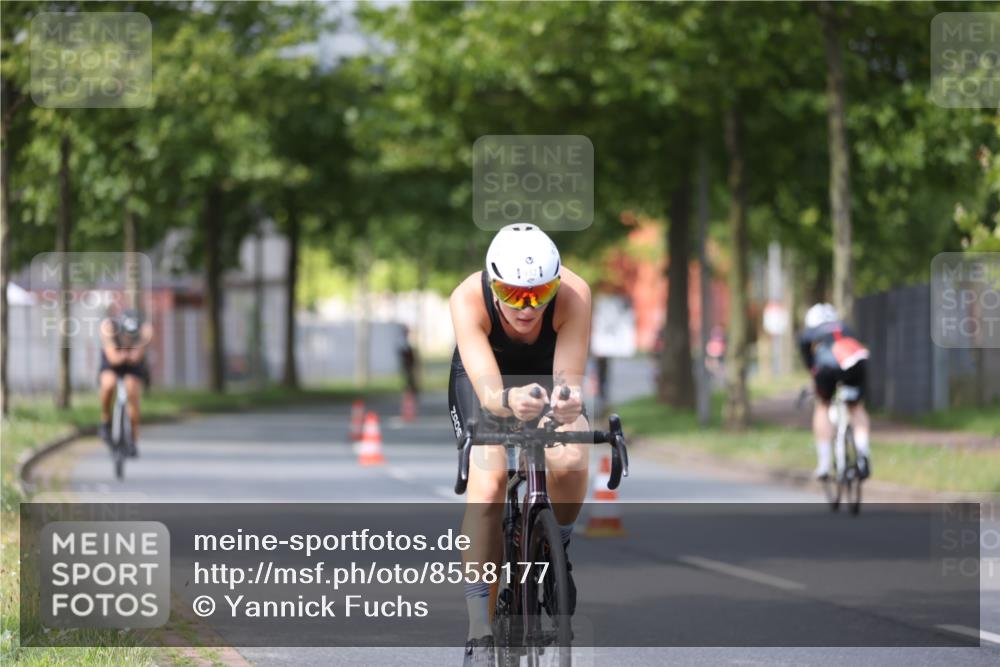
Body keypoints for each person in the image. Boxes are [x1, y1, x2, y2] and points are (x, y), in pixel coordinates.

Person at [448, 224, 591, 666]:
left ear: (555, 284)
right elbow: (491, 394)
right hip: (486, 382)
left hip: (546, 375)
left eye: (539, 294)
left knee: (572, 449)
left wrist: (567, 404)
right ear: (493, 285)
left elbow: (567, 381)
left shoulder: (575, 294)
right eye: (512, 295)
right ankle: (478, 628)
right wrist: (508, 400)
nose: (526, 309)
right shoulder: (467, 298)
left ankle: (556, 546)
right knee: (489, 480)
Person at [798, 303, 871, 480]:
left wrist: (814, 377)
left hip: (827, 366)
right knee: (856, 407)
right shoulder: (846, 327)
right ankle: (863, 453)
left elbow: (809, 362)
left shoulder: (809, 332)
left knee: (823, 406)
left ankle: (824, 465)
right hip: (855, 362)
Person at [98, 307, 153, 457]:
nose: (128, 339)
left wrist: (135, 352)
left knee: (132, 389)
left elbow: (138, 355)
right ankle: (105, 421)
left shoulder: (144, 331)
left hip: (132, 365)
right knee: (108, 384)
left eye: (131, 336)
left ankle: (133, 438)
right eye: (125, 336)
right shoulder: (109, 328)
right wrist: (123, 355)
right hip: (112, 362)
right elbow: (113, 357)